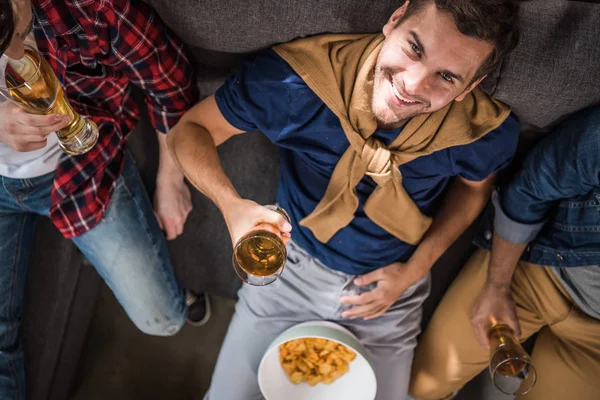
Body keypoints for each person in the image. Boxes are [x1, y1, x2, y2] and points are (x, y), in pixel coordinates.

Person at [168, 0, 520, 398]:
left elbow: (474, 192)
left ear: (469, 87)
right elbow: (190, 130)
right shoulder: (295, 83)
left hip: (393, 291)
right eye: (414, 48)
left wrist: (414, 271)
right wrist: (231, 204)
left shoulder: (484, 133)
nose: (412, 84)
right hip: (289, 270)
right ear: (394, 20)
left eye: (446, 77)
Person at [0, 0, 209, 397]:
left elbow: (171, 84)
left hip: (79, 166)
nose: (13, 57)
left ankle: (180, 292)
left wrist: (171, 178)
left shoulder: (95, 9)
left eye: (14, 36)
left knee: (163, 320)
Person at [409, 105, 600, 400]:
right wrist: (497, 285)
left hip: (593, 341)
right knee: (421, 385)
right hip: (538, 269)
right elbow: (531, 190)